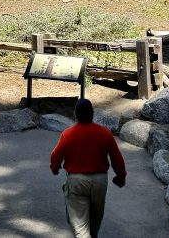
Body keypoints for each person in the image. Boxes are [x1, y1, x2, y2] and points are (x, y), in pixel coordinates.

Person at [50, 99, 127, 238]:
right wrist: (121, 177)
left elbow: (56, 155)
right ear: (92, 114)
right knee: (95, 220)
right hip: (100, 181)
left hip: (76, 181)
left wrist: (55, 168)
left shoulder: (68, 134)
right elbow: (117, 159)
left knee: (80, 228)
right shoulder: (105, 133)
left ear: (75, 114)